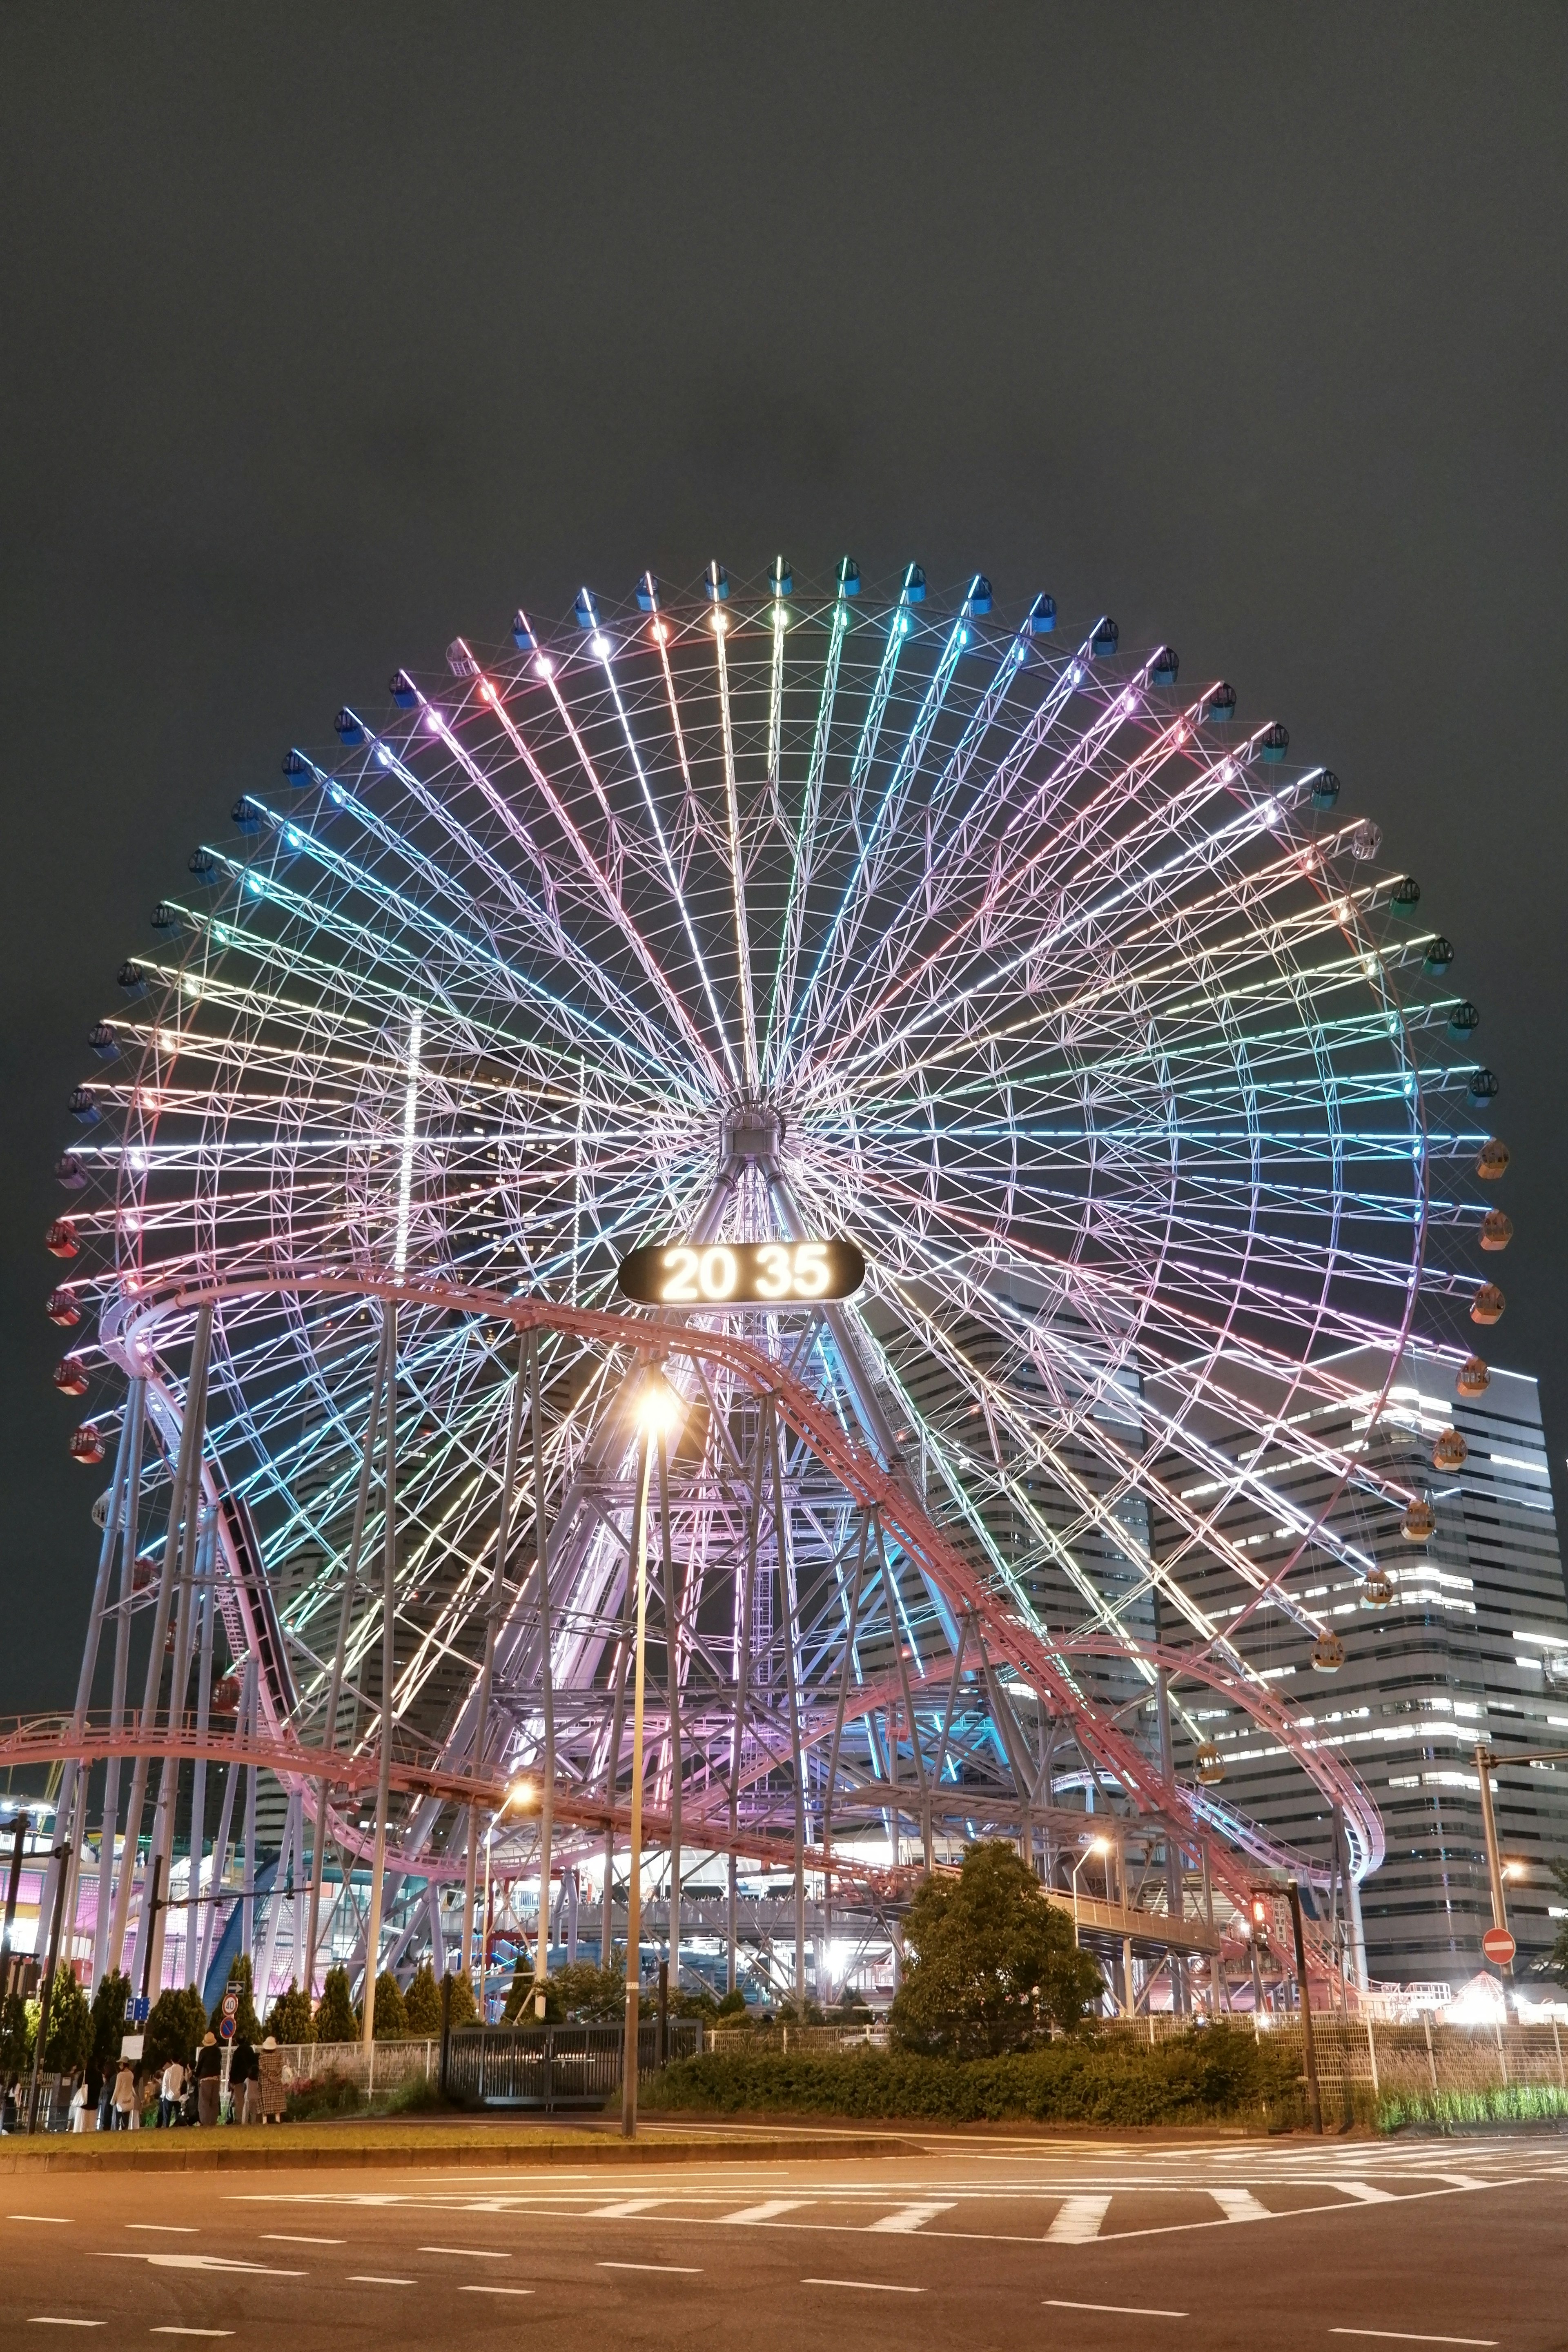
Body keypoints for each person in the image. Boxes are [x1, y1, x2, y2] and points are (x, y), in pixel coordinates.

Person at [229, 2031, 260, 2124]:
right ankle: (253, 2120)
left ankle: (240, 2120)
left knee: (240, 2101)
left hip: (239, 2080)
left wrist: (232, 2080)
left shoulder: (237, 2052)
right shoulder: (250, 2050)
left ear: (237, 2042)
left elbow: (234, 2067)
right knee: (252, 2100)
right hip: (251, 2078)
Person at [194, 2032, 222, 2127]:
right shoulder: (218, 2051)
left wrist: (196, 2075)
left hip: (205, 2078)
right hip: (216, 2078)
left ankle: (205, 2122)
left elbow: (200, 2066)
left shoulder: (204, 2052)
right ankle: (213, 2121)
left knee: (204, 2102)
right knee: (214, 2101)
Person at [257, 2036, 287, 2125]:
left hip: (265, 2081)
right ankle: (277, 2118)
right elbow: (281, 2066)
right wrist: (275, 2075)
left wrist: (269, 2076)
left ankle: (265, 2120)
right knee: (277, 2100)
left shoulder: (262, 2057)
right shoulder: (279, 2055)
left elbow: (262, 2068)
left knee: (265, 2100)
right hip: (277, 2081)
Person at [158, 2055, 186, 2129]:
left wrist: (164, 2096)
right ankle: (178, 2127)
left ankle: (166, 2127)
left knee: (167, 2115)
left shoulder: (169, 2071)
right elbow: (182, 2080)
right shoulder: (182, 2069)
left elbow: (165, 2084)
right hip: (178, 2095)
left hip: (168, 2095)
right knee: (177, 2113)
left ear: (172, 2061)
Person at [111, 2056, 137, 2130]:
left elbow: (117, 2089)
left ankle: (115, 2133)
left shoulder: (120, 2075)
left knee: (117, 2120)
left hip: (120, 2101)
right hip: (128, 2100)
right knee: (126, 2121)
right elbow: (131, 2087)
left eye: (120, 2064)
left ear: (123, 2064)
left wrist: (113, 2101)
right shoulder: (131, 2074)